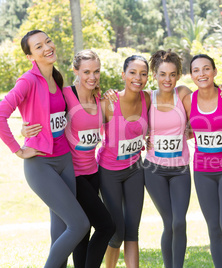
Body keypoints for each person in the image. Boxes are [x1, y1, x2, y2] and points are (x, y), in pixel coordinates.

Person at [0, 30, 90, 267]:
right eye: (38, 46)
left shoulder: (56, 78)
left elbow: (54, 117)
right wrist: (18, 149)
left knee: (60, 233)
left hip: (65, 161)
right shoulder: (27, 80)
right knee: (79, 224)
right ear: (31, 56)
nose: (47, 47)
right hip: (41, 164)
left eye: (48, 41)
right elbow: (1, 113)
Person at [21, 49, 116, 268]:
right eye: (86, 72)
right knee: (104, 226)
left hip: (93, 173)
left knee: (82, 234)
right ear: (75, 71)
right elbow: (41, 114)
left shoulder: (100, 99)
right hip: (72, 175)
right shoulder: (64, 95)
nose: (92, 77)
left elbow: (115, 130)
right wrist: (25, 130)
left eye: (96, 72)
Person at [183, 54, 222, 268]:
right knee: (214, 228)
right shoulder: (188, 101)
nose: (202, 74)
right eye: (196, 70)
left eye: (206, 69)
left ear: (215, 71)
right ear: (191, 75)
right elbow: (185, 129)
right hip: (202, 171)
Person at [97, 55, 150, 268]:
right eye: (132, 72)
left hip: (135, 170)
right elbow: (80, 123)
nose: (138, 78)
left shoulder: (148, 98)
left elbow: (173, 91)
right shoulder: (108, 103)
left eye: (143, 74)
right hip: (108, 172)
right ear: (123, 75)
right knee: (116, 230)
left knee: (132, 229)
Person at [145, 50, 192, 268]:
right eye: (163, 74)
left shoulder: (182, 94)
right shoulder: (147, 98)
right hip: (154, 169)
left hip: (180, 168)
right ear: (154, 74)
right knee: (169, 222)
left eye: (172, 74)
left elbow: (203, 114)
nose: (167, 79)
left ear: (178, 75)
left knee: (179, 222)